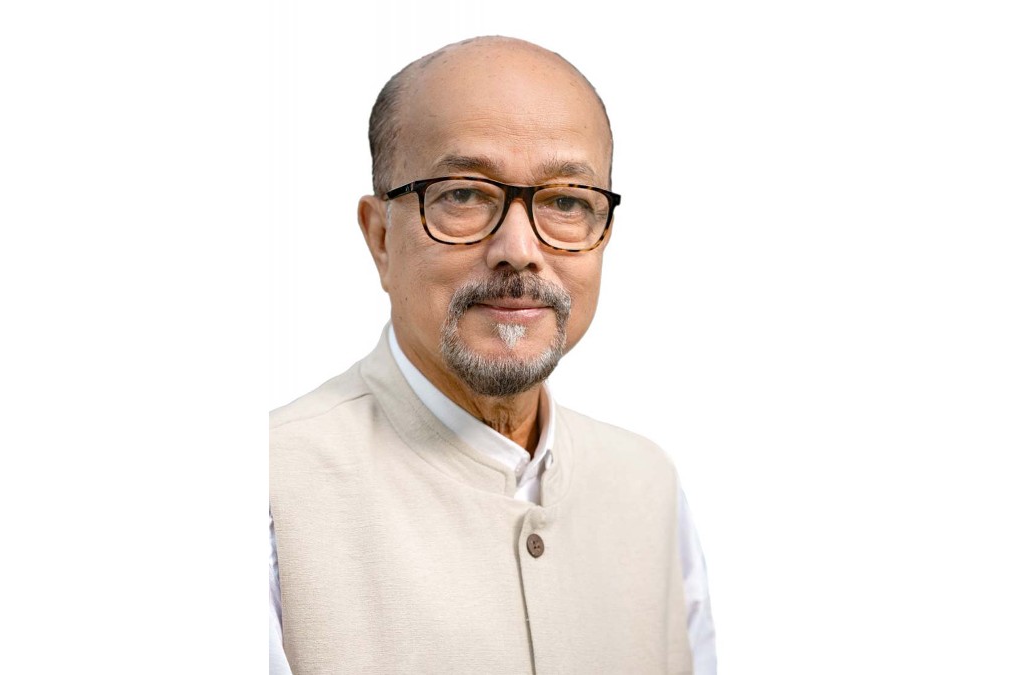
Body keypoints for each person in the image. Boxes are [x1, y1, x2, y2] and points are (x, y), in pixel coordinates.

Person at [270, 36, 715, 674]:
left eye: (566, 202)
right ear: (380, 238)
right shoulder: (271, 495)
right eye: (463, 195)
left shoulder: (650, 488)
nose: (519, 250)